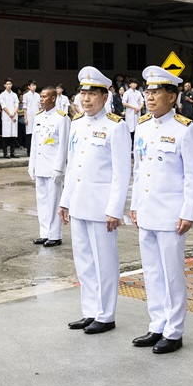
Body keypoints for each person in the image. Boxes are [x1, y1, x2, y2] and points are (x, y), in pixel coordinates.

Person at [129, 66, 193, 353]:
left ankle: (174, 330)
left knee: (172, 274)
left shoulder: (186, 129)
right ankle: (156, 324)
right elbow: (140, 169)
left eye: (156, 92)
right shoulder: (144, 127)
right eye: (147, 92)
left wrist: (188, 212)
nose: (149, 97)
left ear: (172, 97)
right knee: (151, 272)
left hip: (172, 214)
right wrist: (134, 205)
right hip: (147, 212)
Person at [58, 67, 132, 335]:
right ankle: (89, 311)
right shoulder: (77, 124)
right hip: (78, 204)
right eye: (82, 93)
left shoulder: (116, 127)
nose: (86, 99)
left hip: (102, 208)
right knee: (84, 261)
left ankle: (106, 314)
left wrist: (115, 209)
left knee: (104, 262)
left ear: (105, 96)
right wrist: (64, 201)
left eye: (91, 94)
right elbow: (72, 166)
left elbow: (122, 173)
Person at [28, 86, 70, 248]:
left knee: (54, 202)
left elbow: (64, 145)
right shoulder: (39, 117)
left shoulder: (62, 118)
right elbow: (34, 144)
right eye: (41, 96)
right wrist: (32, 165)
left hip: (53, 167)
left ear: (53, 99)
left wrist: (59, 168)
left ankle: (55, 235)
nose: (41, 99)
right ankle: (44, 233)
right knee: (42, 201)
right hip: (40, 166)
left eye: (45, 96)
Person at [0, 79, 20, 158]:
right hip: (7, 116)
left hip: (14, 116)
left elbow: (17, 104)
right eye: (7, 84)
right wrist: (11, 115)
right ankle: (5, 153)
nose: (9, 85)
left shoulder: (14, 95)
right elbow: (3, 106)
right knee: (6, 136)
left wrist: (14, 113)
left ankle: (12, 152)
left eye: (10, 84)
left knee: (13, 136)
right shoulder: (2, 95)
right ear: (4, 85)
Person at [21, 80, 41, 156]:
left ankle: (36, 150)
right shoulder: (26, 95)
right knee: (29, 134)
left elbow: (39, 107)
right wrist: (25, 118)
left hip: (36, 116)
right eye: (32, 85)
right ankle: (29, 151)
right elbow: (25, 107)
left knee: (36, 133)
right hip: (29, 116)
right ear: (29, 87)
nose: (34, 87)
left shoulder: (38, 95)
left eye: (35, 85)